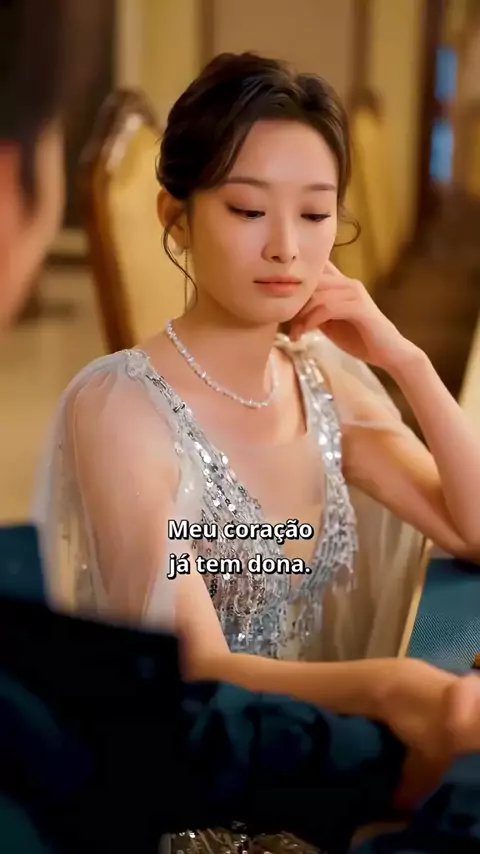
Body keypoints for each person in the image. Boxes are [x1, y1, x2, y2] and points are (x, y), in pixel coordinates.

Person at [1, 2, 480, 850]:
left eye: (316, 214)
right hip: (210, 808)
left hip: (323, 774)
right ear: (175, 217)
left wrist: (404, 358)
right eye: (249, 211)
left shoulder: (324, 379)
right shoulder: (122, 408)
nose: (287, 249)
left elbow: (470, 528)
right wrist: (397, 690)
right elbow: (196, 672)